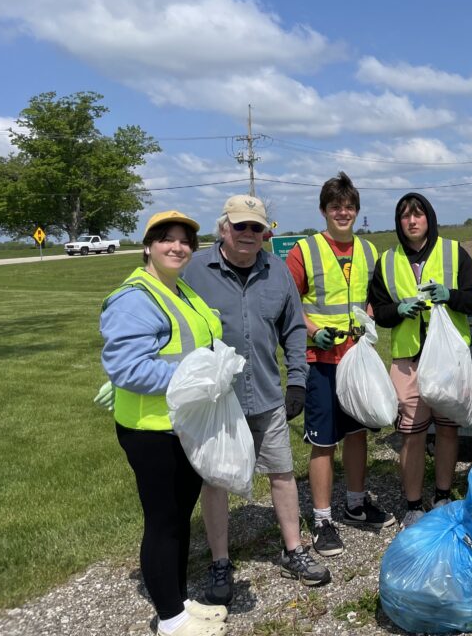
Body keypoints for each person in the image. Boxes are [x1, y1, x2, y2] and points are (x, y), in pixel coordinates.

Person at [182, 195, 330, 603]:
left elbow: (295, 329)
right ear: (224, 228)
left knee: (281, 473)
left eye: (257, 228)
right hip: (216, 401)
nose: (249, 234)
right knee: (216, 480)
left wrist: (297, 380)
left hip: (266, 395)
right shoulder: (194, 271)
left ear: (266, 233)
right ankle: (220, 562)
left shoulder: (277, 272)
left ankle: (294, 550)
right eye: (240, 226)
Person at [98, 211, 228, 636]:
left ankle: (179, 602)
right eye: (166, 239)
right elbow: (127, 368)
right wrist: (198, 377)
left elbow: (200, 343)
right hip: (150, 430)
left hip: (183, 425)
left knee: (180, 518)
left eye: (185, 240)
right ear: (148, 246)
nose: (177, 247)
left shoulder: (180, 290)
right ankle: (170, 621)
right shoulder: (135, 296)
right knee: (162, 522)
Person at [284, 173, 394, 558]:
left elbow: (371, 298)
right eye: (335, 207)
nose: (342, 212)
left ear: (357, 211)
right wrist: (313, 331)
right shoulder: (304, 250)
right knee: (323, 441)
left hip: (355, 359)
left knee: (358, 433)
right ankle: (322, 519)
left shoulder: (368, 251)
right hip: (320, 361)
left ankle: (355, 503)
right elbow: (288, 301)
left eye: (348, 207)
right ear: (323, 211)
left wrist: (366, 320)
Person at [369, 192, 472, 527]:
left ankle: (443, 494)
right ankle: (414, 503)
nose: (412, 221)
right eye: (405, 216)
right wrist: (398, 309)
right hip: (408, 360)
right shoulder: (387, 261)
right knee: (412, 434)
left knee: (447, 430)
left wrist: (450, 296)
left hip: (447, 358)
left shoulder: (452, 251)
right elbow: (380, 312)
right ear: (399, 222)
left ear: (429, 218)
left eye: (418, 215)